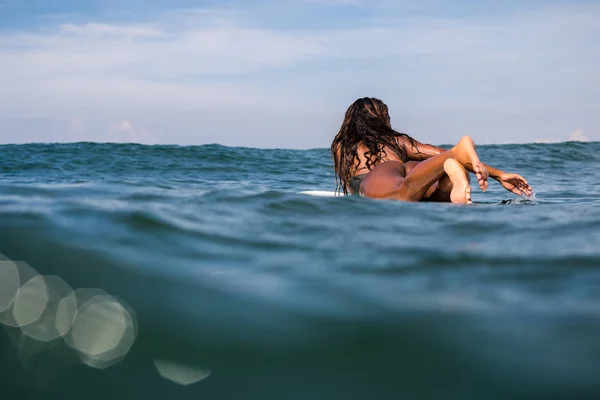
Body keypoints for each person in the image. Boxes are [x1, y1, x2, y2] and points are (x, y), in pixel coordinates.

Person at [331, 97, 532, 204]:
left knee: (402, 193)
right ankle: (447, 183)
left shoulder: (343, 144)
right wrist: (500, 175)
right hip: (411, 170)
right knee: (435, 195)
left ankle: (453, 164)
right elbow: (439, 153)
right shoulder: (397, 141)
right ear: (381, 119)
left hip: (377, 179)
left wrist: (457, 152)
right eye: (388, 117)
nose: (390, 122)